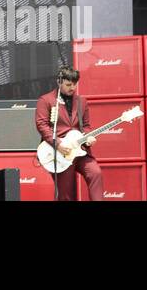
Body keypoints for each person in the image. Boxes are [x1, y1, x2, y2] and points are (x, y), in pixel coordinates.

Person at [34, 66, 104, 201]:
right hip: (60, 152)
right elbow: (42, 125)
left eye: (75, 84)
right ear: (59, 82)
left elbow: (86, 126)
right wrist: (58, 144)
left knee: (95, 173)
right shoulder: (46, 100)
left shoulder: (82, 101)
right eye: (68, 85)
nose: (72, 88)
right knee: (66, 192)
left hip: (80, 150)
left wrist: (88, 137)